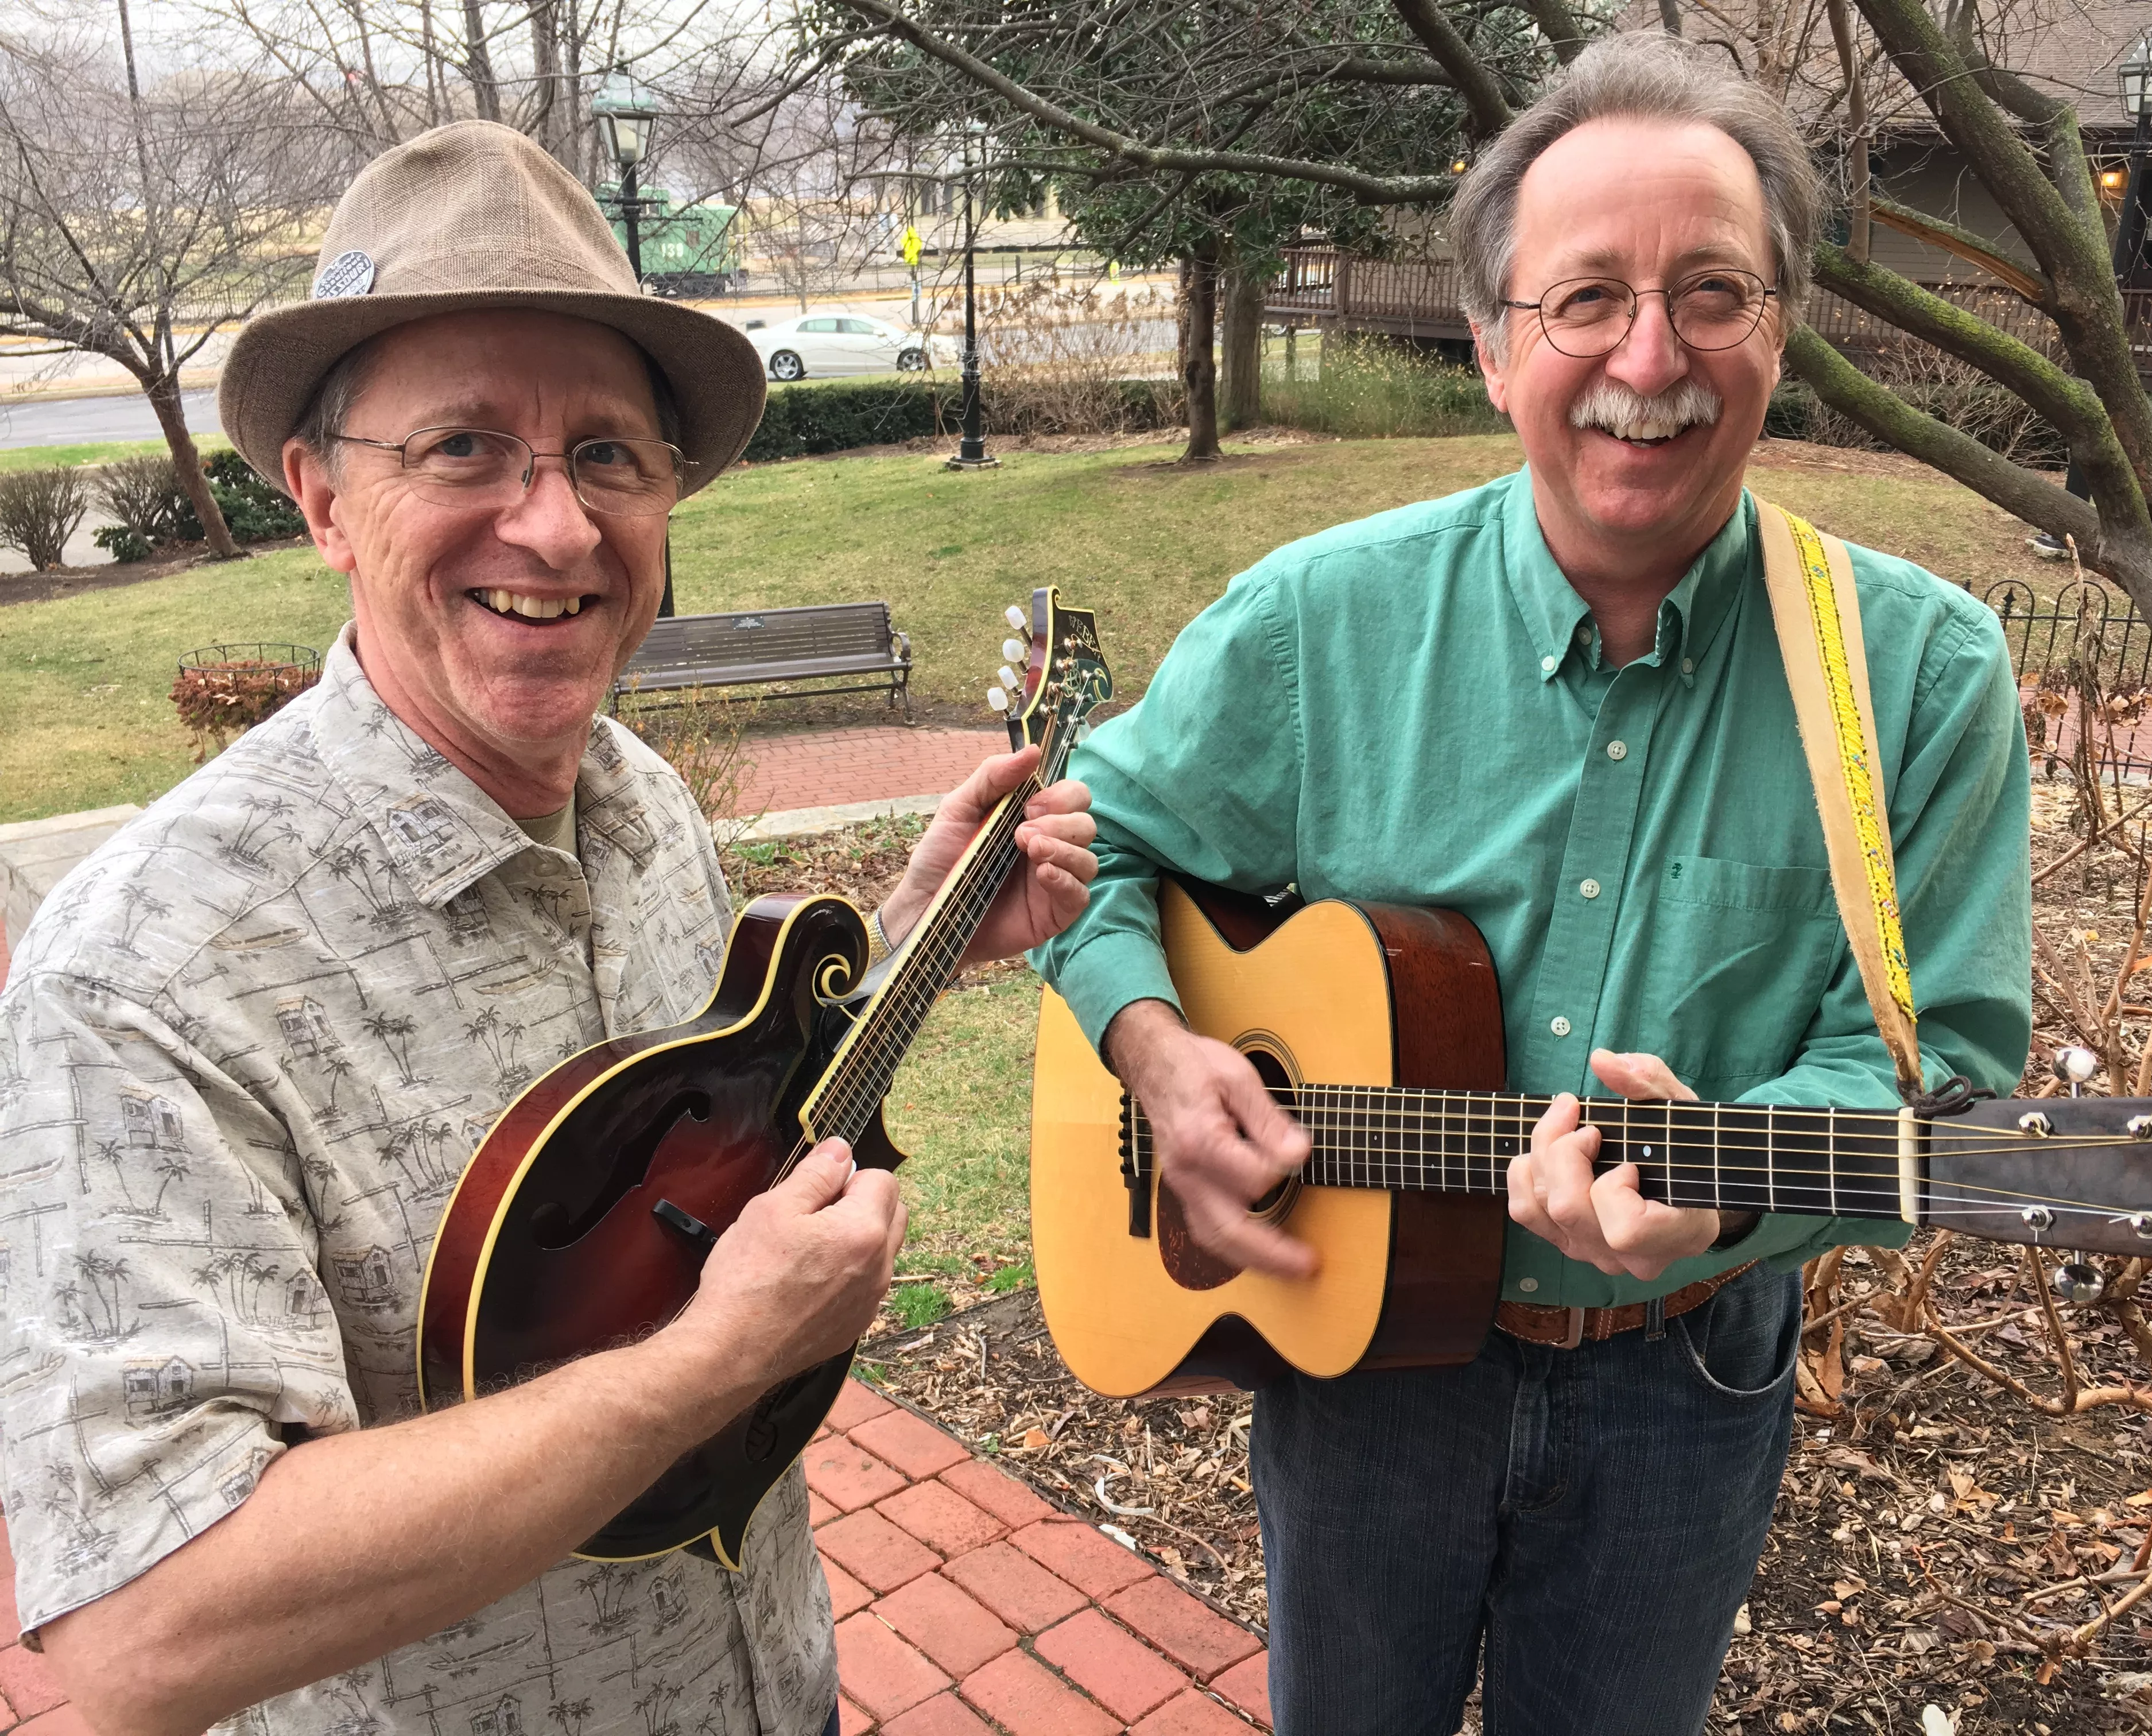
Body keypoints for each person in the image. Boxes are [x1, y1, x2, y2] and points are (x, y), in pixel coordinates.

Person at [0, 121, 1096, 1736]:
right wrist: (711, 1367)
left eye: (609, 455)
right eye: (460, 447)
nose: (559, 527)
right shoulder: (143, 976)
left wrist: (922, 927)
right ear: (319, 497)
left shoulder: (638, 794)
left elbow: (708, 1161)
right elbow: (139, 1628)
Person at [1032, 33, 2030, 1736]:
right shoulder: (1311, 625)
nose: (1652, 353)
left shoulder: (1918, 679)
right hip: (1361, 1385)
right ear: (1495, 349)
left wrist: (1722, 1188)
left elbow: (1932, 1066)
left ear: (1779, 332)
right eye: (1587, 299)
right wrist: (1148, 1045)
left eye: (1713, 289)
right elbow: (1083, 842)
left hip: (1686, 1384)